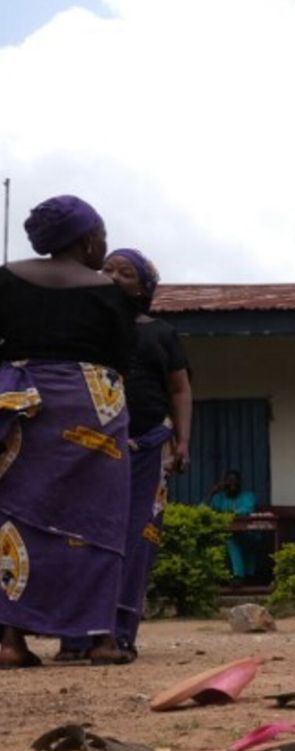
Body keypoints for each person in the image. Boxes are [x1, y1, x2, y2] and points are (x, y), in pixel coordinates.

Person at [0, 195, 136, 667]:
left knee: (18, 517)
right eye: (100, 235)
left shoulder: (5, 278)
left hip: (21, 404)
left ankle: (11, 642)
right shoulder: (109, 292)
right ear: (84, 240)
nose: (104, 244)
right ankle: (100, 640)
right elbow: (123, 358)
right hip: (92, 406)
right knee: (98, 521)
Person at [57, 248, 191, 663]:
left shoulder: (161, 333)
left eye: (125, 272)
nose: (113, 275)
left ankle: (118, 635)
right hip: (88, 449)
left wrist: (183, 441)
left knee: (137, 541)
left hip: (148, 447)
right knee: (81, 539)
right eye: (107, 269)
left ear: (144, 287)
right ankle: (76, 637)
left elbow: (180, 390)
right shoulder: (79, 329)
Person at [207, 470, 257, 582]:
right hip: (223, 536)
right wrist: (211, 494)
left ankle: (239, 576)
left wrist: (232, 513)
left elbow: (247, 509)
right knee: (230, 539)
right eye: (229, 482)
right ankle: (238, 576)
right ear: (224, 484)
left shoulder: (248, 496)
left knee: (232, 539)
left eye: (235, 482)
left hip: (248, 534)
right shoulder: (219, 498)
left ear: (240, 483)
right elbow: (203, 510)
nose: (232, 485)